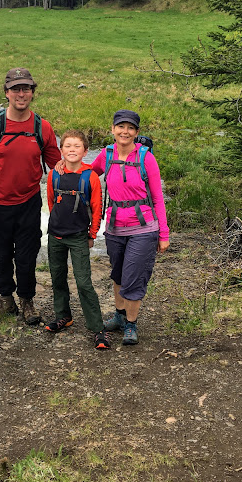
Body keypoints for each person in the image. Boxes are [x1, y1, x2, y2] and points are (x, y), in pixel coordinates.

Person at [0, 68, 61, 326]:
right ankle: (5, 300)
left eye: (26, 89)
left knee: (27, 256)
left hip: (29, 204)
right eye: (15, 89)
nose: (21, 94)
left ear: (32, 93)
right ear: (6, 93)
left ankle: (26, 300)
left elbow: (58, 166)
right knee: (2, 256)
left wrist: (89, 176)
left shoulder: (42, 128)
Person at [90, 109, 169, 345]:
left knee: (134, 276)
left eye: (130, 128)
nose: (125, 131)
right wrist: (66, 165)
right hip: (114, 227)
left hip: (143, 228)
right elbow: (89, 175)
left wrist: (163, 234)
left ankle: (131, 324)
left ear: (136, 132)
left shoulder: (146, 158)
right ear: (113, 129)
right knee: (118, 274)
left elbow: (158, 198)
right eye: (121, 127)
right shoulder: (106, 154)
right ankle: (119, 316)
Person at [45, 130, 110, 350]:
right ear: (61, 150)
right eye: (68, 146)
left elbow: (97, 208)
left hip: (79, 237)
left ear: (85, 151)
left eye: (77, 146)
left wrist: (92, 234)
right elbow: (51, 202)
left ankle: (98, 329)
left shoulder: (90, 177)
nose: (72, 150)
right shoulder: (54, 174)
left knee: (83, 282)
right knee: (57, 278)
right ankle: (63, 316)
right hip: (55, 236)